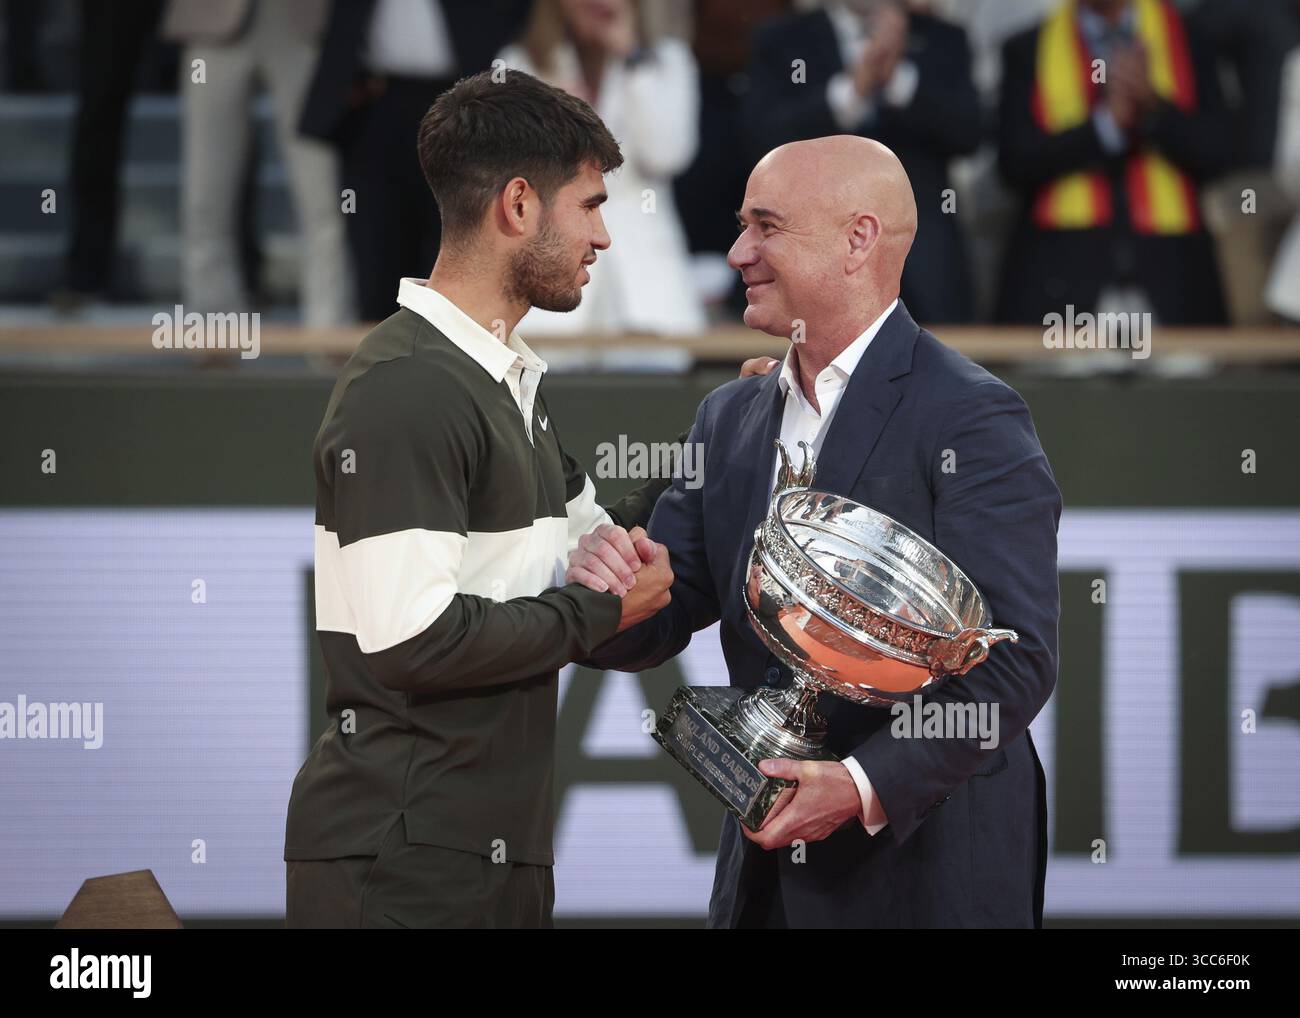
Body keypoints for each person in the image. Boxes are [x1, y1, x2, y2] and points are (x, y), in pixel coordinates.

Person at [572, 135, 1062, 928]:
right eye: (741, 226)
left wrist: (862, 785)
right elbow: (663, 608)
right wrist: (597, 596)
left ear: (857, 241)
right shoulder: (727, 416)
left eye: (765, 227)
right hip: (764, 882)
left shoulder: (973, 416)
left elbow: (1013, 662)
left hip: (925, 875)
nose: (736, 253)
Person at [283, 69, 675, 928]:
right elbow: (412, 641)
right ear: (520, 207)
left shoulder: (502, 379)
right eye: (591, 205)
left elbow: (611, 538)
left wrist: (734, 437)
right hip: (406, 860)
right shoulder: (410, 387)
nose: (604, 236)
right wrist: (595, 614)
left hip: (487, 852)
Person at [741, 0, 981, 323]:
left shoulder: (942, 38)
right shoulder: (782, 37)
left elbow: (969, 133)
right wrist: (850, 92)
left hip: (925, 260)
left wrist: (897, 77)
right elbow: (760, 138)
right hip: (811, 251)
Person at [995, 0, 1231, 325]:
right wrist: (1104, 126)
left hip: (1173, 282)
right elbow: (1014, 164)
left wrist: (1152, 108)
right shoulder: (1027, 47)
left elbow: (1220, 154)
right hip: (1063, 284)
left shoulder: (1192, 38)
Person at [497, 0, 707, 335]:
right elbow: (514, 169)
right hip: (552, 256)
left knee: (658, 375)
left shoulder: (666, 59)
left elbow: (668, 155)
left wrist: (632, 57)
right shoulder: (518, 63)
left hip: (648, 275)